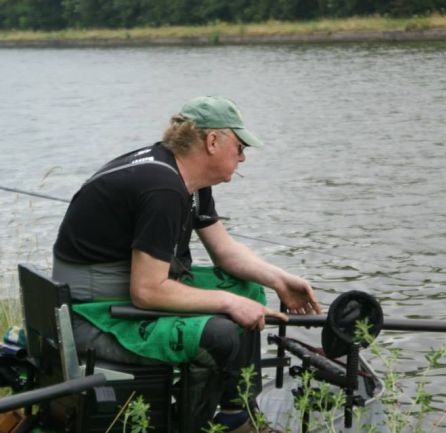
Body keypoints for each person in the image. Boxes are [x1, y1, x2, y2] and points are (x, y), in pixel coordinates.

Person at [52, 96, 321, 433]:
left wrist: (279, 280)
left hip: (121, 295)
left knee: (249, 291)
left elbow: (225, 252)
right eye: (239, 146)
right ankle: (197, 425)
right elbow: (147, 292)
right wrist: (228, 303)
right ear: (212, 142)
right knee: (219, 333)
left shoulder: (187, 179)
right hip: (95, 317)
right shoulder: (162, 189)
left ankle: (238, 411)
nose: (243, 157)